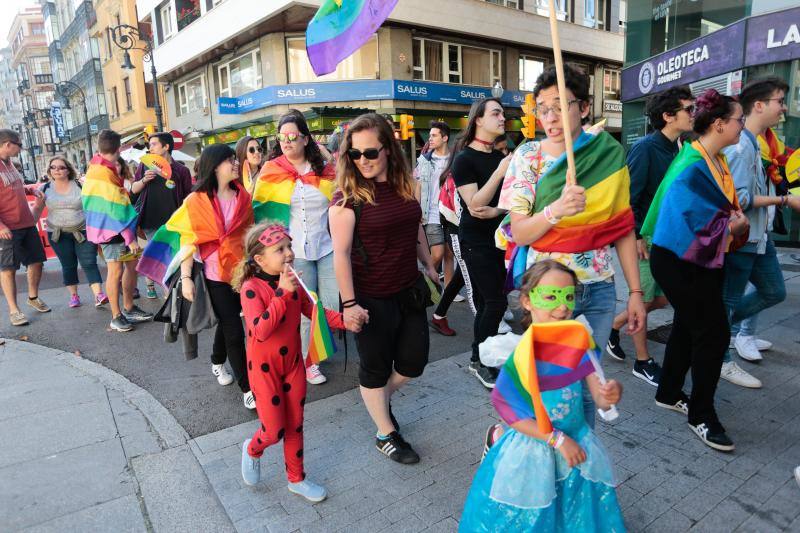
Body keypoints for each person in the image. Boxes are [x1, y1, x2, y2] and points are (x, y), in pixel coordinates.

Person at [499, 64, 645, 426]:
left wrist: (636, 292)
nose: (550, 116)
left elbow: (622, 228)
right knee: (550, 385)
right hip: (550, 293)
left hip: (598, 289)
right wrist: (555, 210)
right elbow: (520, 232)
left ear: (583, 107)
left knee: (590, 382)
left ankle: (580, 461)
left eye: (561, 106)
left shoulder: (607, 155)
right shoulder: (527, 157)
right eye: (543, 107)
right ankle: (539, 448)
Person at [460, 260, 625, 532]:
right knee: (531, 514)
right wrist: (557, 439)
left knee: (572, 510)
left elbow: (600, 396)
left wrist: (610, 393)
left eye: (569, 297)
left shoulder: (579, 342)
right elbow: (508, 407)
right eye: (551, 297)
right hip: (535, 445)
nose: (562, 307)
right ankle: (497, 436)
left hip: (576, 439)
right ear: (527, 301)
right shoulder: (524, 354)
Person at [642, 89, 749, 451]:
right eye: (739, 120)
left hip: (694, 259)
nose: (742, 127)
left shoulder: (710, 157)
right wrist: (728, 228)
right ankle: (702, 415)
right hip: (679, 260)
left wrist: (727, 222)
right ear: (720, 124)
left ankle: (669, 392)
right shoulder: (693, 162)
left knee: (690, 326)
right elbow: (677, 225)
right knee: (714, 333)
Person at [329, 113, 438, 465]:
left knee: (414, 362)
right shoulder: (346, 203)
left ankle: (376, 399)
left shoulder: (406, 188)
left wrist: (429, 263)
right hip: (370, 298)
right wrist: (349, 305)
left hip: (408, 289)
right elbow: (341, 257)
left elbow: (415, 227)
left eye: (370, 152)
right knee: (375, 369)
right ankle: (384, 432)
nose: (363, 161)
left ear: (389, 150)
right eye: (355, 155)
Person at [235, 222, 345, 502]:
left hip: (294, 365)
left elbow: (315, 312)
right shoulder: (251, 288)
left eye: (288, 247)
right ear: (260, 259)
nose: (288, 254)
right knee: (273, 431)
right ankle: (253, 449)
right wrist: (282, 293)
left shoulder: (294, 280)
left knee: (295, 425)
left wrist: (347, 321)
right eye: (279, 249)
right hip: (264, 371)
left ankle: (297, 479)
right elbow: (260, 330)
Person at [142, 143, 256, 407]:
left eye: (235, 160)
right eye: (230, 160)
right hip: (214, 275)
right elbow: (187, 241)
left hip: (242, 272)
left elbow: (249, 235)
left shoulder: (243, 197)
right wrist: (186, 279)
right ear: (215, 166)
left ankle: (217, 361)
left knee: (229, 322)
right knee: (235, 330)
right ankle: (247, 388)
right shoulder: (196, 201)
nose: (236, 164)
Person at [606, 86, 694, 387]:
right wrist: (635, 235)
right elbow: (628, 195)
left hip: (666, 238)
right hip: (642, 237)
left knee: (663, 298)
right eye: (688, 109)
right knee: (641, 298)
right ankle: (642, 362)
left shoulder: (677, 148)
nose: (693, 114)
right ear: (668, 116)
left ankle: (613, 326)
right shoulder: (645, 148)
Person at [720, 77, 796, 389]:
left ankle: (717, 331)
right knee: (728, 299)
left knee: (774, 290)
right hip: (743, 239)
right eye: (780, 101)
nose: (784, 108)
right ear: (759, 105)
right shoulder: (741, 146)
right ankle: (721, 356)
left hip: (759, 238)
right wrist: (785, 199)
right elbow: (740, 199)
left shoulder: (756, 142)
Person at [254, 110, 338, 386]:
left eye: (293, 136)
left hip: (326, 247)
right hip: (294, 253)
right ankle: (307, 361)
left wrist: (327, 156)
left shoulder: (324, 170)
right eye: (282, 137)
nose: (287, 141)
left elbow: (343, 194)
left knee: (330, 303)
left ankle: (319, 348)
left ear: (305, 139)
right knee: (306, 308)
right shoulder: (271, 170)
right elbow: (260, 214)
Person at [451, 98, 512, 389]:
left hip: (502, 238)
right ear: (478, 119)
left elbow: (506, 203)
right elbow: (475, 204)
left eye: (503, 114)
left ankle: (482, 354)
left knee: (495, 302)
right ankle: (480, 358)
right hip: (476, 240)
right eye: (496, 113)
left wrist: (501, 211)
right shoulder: (464, 159)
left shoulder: (500, 155)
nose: (503, 118)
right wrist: (501, 171)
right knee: (494, 301)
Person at [82, 129, 152, 332]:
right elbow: (117, 207)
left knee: (131, 266)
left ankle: (128, 308)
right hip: (111, 231)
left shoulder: (97, 165)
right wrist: (130, 236)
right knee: (115, 271)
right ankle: (116, 315)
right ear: (119, 147)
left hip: (109, 229)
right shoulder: (102, 172)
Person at [32, 155, 107, 308]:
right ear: (49, 171)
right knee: (68, 264)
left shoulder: (80, 185)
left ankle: (99, 295)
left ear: (68, 170)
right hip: (57, 234)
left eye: (61, 167)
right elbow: (37, 209)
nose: (57, 170)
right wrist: (28, 226)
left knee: (89, 262)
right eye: (53, 167)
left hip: (83, 231)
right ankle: (74, 296)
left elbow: (94, 205)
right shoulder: (44, 188)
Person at [131, 132, 193, 299]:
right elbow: (133, 190)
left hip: (175, 221)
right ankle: (168, 293)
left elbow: (189, 197)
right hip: (151, 220)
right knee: (162, 257)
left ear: (166, 147)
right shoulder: (144, 166)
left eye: (154, 144)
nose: (150, 148)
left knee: (176, 257)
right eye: (149, 144)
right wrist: (144, 180)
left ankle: (173, 290)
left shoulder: (181, 170)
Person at [0, 128, 50, 325]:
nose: (20, 149)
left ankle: (33, 298)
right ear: (7, 145)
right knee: (8, 269)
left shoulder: (10, 164)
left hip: (26, 223)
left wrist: (31, 189)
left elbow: (15, 187)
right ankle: (14, 310)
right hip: (7, 228)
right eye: (19, 145)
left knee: (37, 261)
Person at [414, 121, 451, 286]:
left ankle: (449, 292)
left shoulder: (455, 159)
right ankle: (424, 284)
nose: (430, 139)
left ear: (445, 138)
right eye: (429, 135)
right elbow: (419, 186)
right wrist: (417, 210)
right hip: (432, 213)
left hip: (450, 213)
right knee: (437, 253)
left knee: (450, 255)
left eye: (434, 135)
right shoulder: (425, 161)